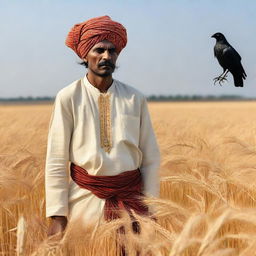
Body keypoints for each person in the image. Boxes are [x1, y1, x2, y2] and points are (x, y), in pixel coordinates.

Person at [45, 15, 160, 237]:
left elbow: (151, 158)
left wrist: (151, 208)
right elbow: (56, 159)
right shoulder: (68, 97)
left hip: (132, 206)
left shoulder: (135, 98)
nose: (106, 56)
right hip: (83, 205)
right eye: (99, 50)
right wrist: (58, 215)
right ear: (85, 55)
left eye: (112, 51)